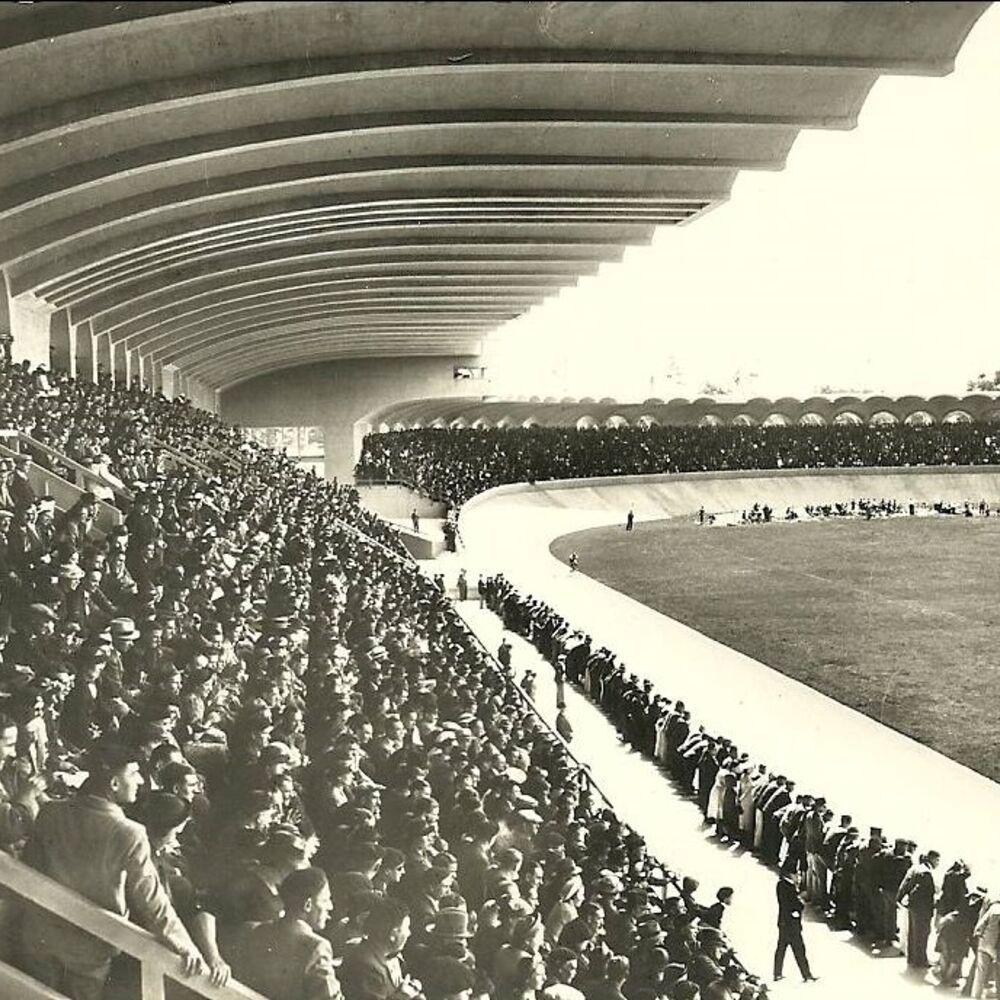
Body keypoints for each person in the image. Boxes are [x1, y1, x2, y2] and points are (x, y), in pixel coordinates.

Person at [20, 743, 206, 1000]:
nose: (141, 780)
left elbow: (28, 871)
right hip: (89, 952)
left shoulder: (50, 811)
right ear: (114, 784)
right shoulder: (130, 833)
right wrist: (186, 946)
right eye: (133, 773)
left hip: (38, 940)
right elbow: (152, 901)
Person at [232, 866, 343, 1000]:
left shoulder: (250, 930)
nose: (330, 906)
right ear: (307, 905)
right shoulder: (317, 947)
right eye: (325, 900)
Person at [340, 896, 422, 999]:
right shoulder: (367, 966)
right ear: (392, 934)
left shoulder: (385, 955)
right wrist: (404, 996)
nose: (409, 933)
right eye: (406, 928)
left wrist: (406, 987)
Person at [774, 862, 816, 983]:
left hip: (784, 922)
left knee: (782, 948)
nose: (797, 875)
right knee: (799, 949)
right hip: (791, 923)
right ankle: (806, 975)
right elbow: (793, 904)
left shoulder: (782, 885)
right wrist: (800, 901)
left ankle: (777, 973)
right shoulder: (788, 886)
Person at [897, 850, 940, 969]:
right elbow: (924, 893)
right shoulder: (926, 873)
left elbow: (906, 884)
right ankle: (921, 960)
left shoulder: (916, 868)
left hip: (913, 907)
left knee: (913, 933)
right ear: (931, 859)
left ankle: (912, 958)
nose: (938, 863)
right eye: (937, 860)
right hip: (922, 909)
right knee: (922, 934)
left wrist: (901, 898)